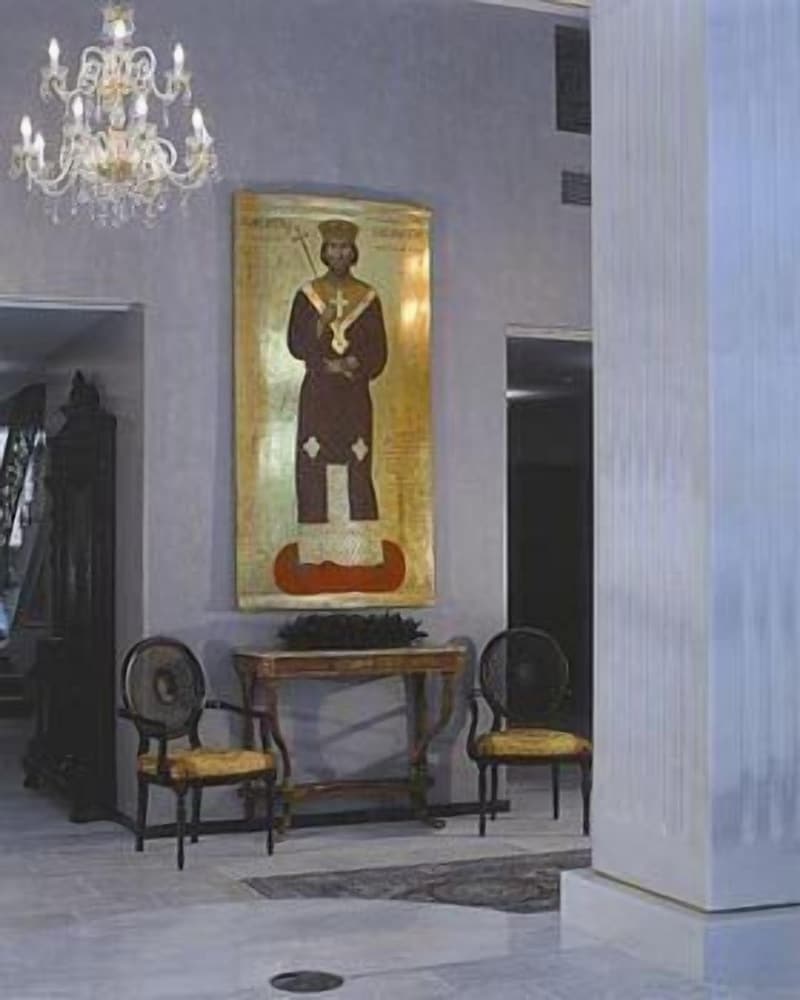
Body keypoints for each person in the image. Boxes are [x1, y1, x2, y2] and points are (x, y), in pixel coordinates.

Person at [287, 219, 388, 566]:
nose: (339, 253)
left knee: (358, 459)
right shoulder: (308, 295)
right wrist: (320, 323)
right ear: (324, 251)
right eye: (333, 247)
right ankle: (315, 552)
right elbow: (296, 344)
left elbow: (379, 352)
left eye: (344, 247)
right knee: (313, 459)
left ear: (353, 251)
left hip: (353, 396)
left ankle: (360, 551)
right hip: (318, 394)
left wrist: (355, 363)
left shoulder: (368, 297)